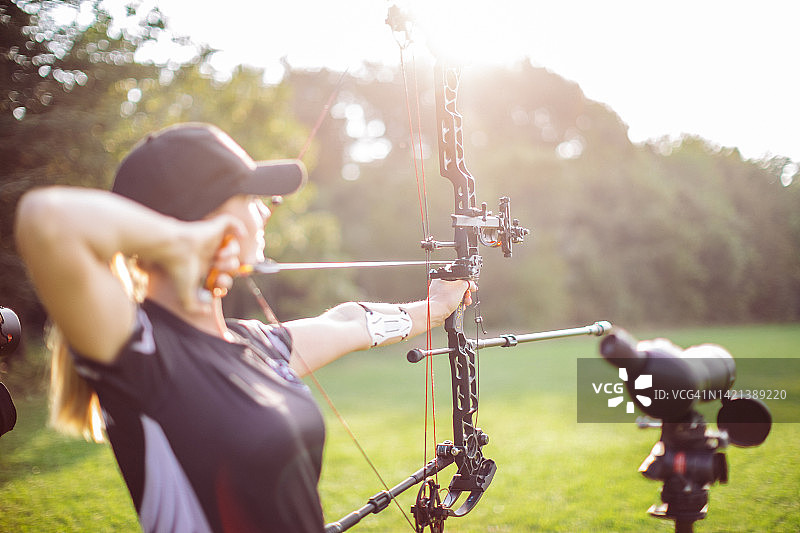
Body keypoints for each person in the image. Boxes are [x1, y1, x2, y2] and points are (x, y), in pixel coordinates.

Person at [14, 123, 473, 533]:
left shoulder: (254, 344)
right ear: (203, 217)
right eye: (251, 198)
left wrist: (433, 308)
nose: (267, 211)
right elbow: (47, 221)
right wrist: (190, 242)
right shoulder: (144, 352)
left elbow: (347, 321)